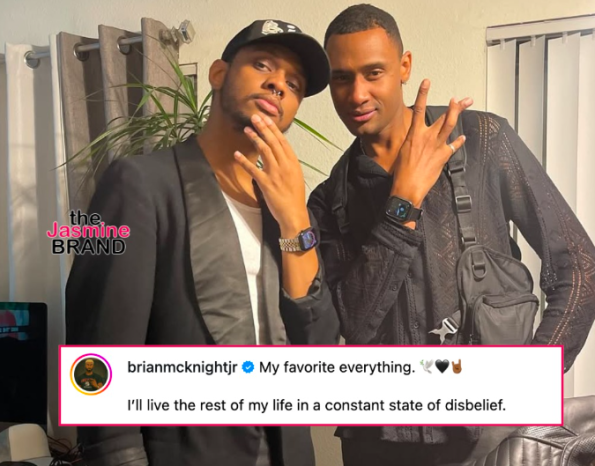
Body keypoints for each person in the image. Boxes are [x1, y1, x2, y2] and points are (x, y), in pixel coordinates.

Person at [307, 4, 595, 465]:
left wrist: (532, 379)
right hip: (375, 443)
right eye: (342, 78)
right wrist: (402, 202)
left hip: (487, 435)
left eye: (373, 72)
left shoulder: (482, 140)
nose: (357, 94)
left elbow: (579, 264)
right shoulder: (330, 200)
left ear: (404, 67)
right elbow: (354, 328)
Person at [66, 19, 340, 466]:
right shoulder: (137, 185)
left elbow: (320, 357)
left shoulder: (290, 212)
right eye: (262, 65)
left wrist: (294, 219)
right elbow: (97, 366)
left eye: (294, 84)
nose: (278, 84)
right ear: (218, 74)